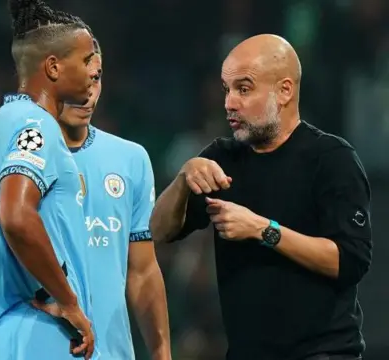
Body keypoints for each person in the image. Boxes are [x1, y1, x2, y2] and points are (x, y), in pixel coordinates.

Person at [150, 34, 371, 360]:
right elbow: (158, 232)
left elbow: (350, 261)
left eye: (244, 88)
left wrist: (263, 229)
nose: (229, 103)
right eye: (227, 89)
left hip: (323, 353)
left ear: (284, 91)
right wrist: (183, 180)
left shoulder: (331, 158)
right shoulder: (221, 158)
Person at [0, 38, 171, 359]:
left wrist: (162, 353)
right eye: (82, 75)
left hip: (111, 351)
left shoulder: (131, 159)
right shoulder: (9, 154)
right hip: (41, 345)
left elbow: (143, 270)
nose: (88, 90)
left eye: (97, 76)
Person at [0, 0, 98, 359]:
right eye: (85, 61)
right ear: (53, 67)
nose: (91, 74)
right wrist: (69, 302)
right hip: (41, 333)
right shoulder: (36, 126)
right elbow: (16, 216)